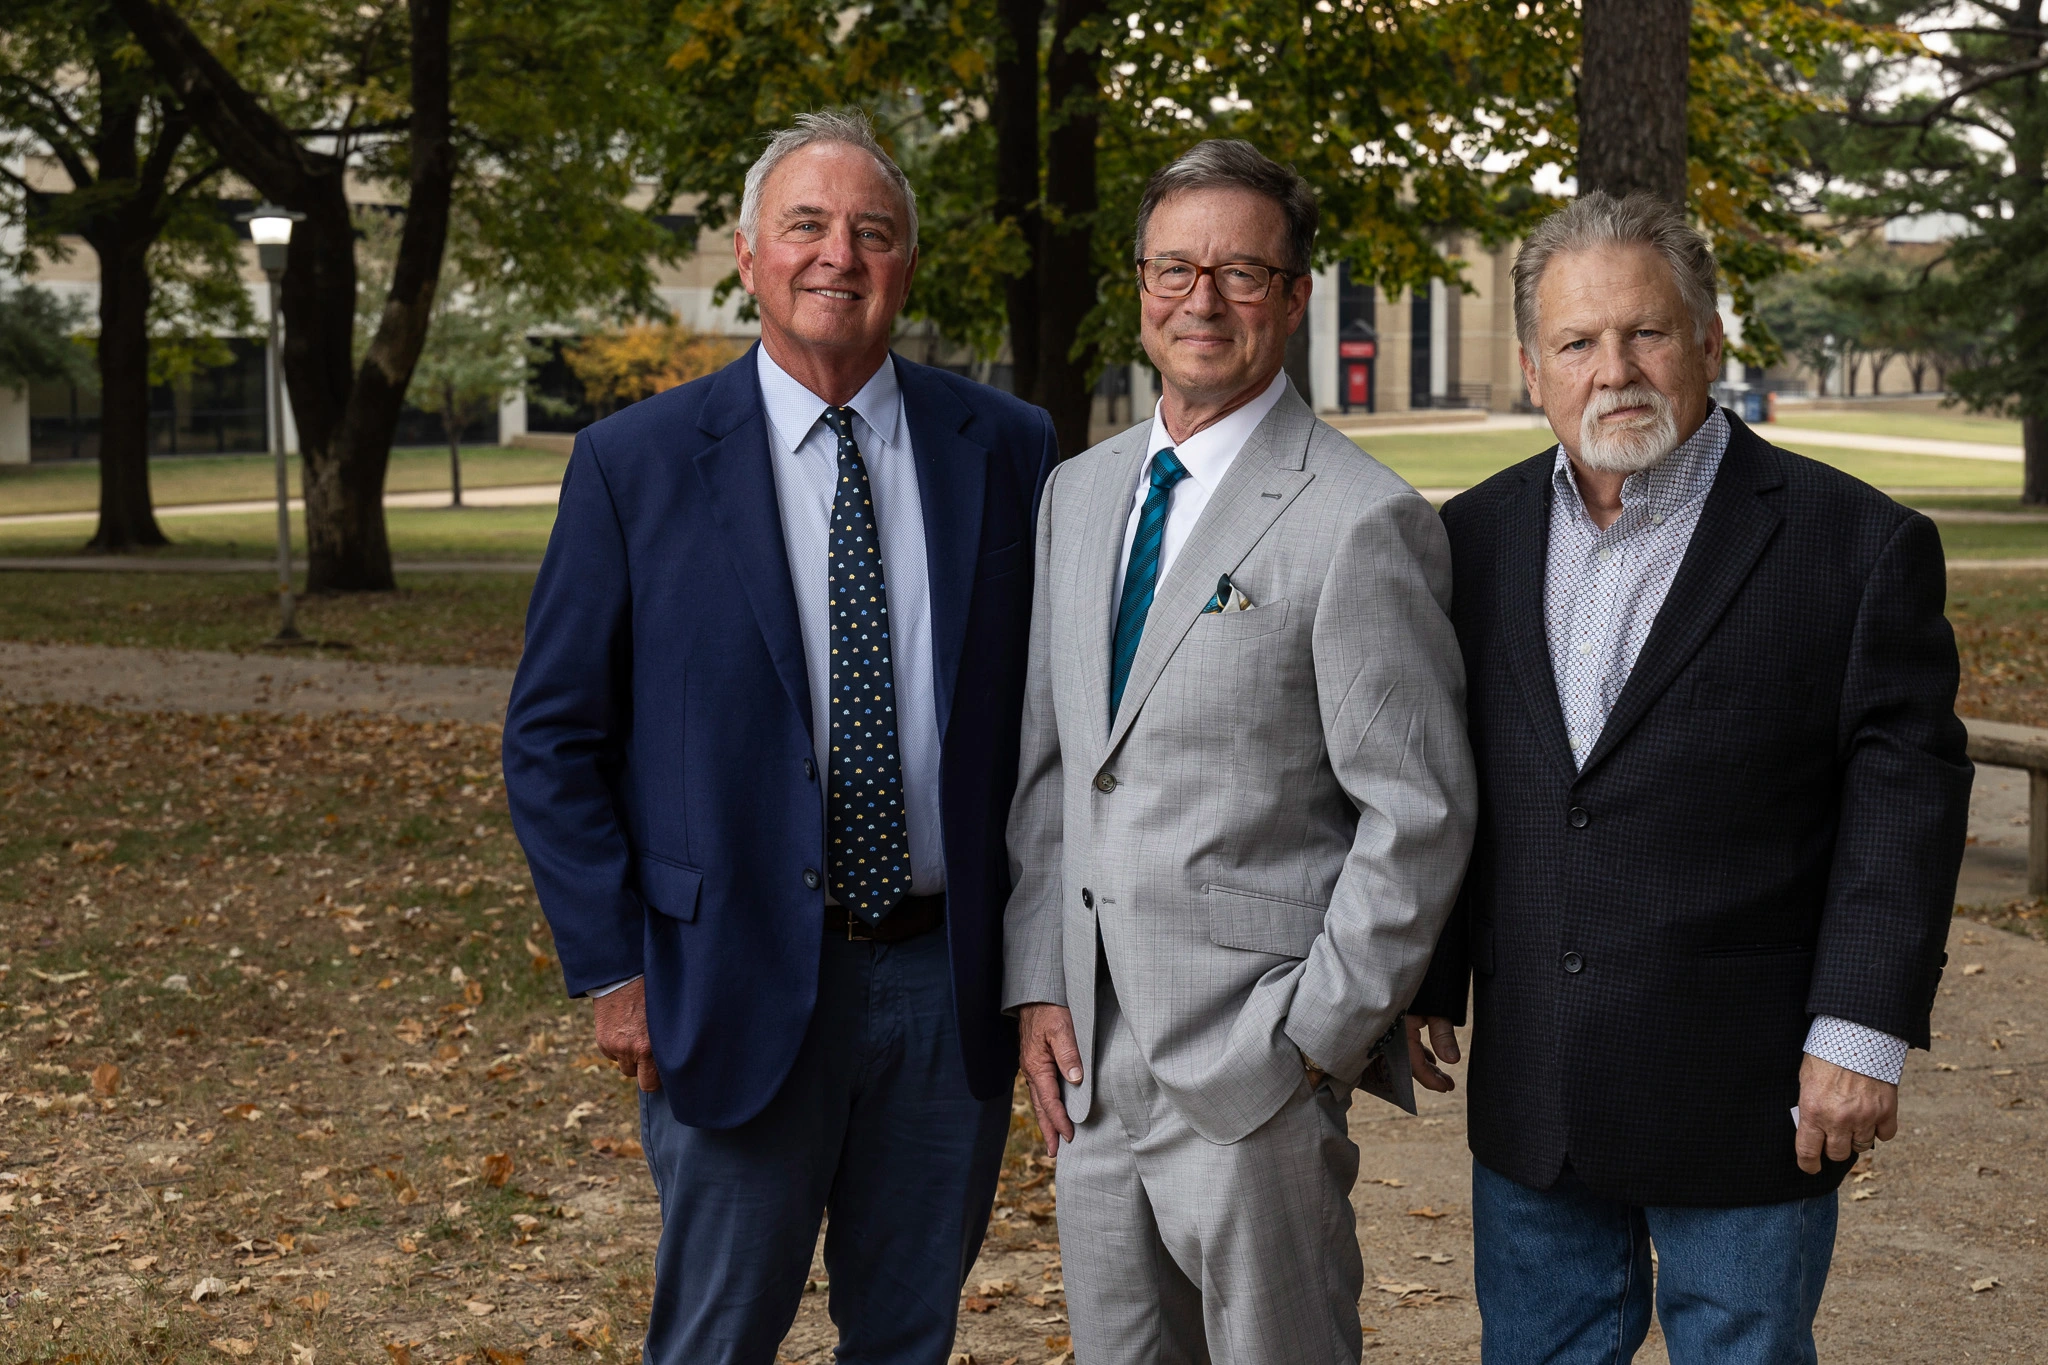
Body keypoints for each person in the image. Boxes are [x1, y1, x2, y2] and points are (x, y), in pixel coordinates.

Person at [502, 109, 1059, 1365]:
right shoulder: (632, 464)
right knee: (714, 1336)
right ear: (747, 257)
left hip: (943, 982)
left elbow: (1052, 728)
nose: (838, 256)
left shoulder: (1009, 452)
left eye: (873, 231)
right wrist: (611, 966)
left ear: (907, 267)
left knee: (907, 1334)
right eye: (805, 225)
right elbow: (549, 738)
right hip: (730, 981)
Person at [1404, 191, 1972, 1364]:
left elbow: (1902, 809)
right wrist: (1426, 973)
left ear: (1707, 339)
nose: (1612, 369)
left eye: (1644, 333)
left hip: (1745, 1091)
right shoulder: (1470, 541)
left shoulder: (1854, 546)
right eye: (1575, 343)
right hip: (1536, 1094)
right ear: (1529, 367)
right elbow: (1459, 775)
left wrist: (1860, 1033)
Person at [1003, 139, 1477, 1365]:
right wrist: (1038, 979)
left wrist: (1314, 1037)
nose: (1200, 300)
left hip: (1253, 1065)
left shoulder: (1359, 516)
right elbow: (1057, 766)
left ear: (1295, 298)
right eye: (1174, 268)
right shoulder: (1077, 494)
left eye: (1240, 273)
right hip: (1090, 1066)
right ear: (1140, 284)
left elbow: (1415, 814)